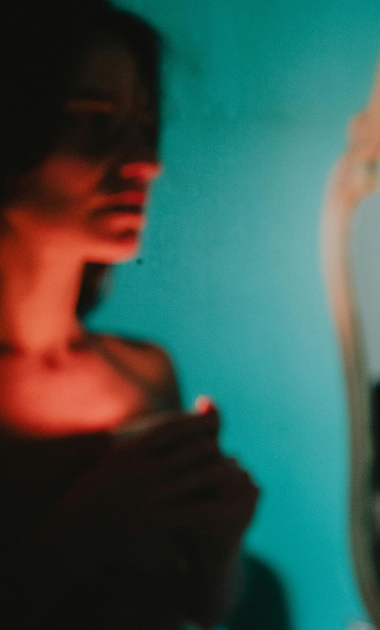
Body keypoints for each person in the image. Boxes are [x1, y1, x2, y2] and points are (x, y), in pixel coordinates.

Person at [0, 1, 259, 627]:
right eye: (93, 121)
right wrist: (89, 526)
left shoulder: (146, 373)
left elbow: (199, 607)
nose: (146, 162)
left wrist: (219, 541)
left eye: (145, 125)